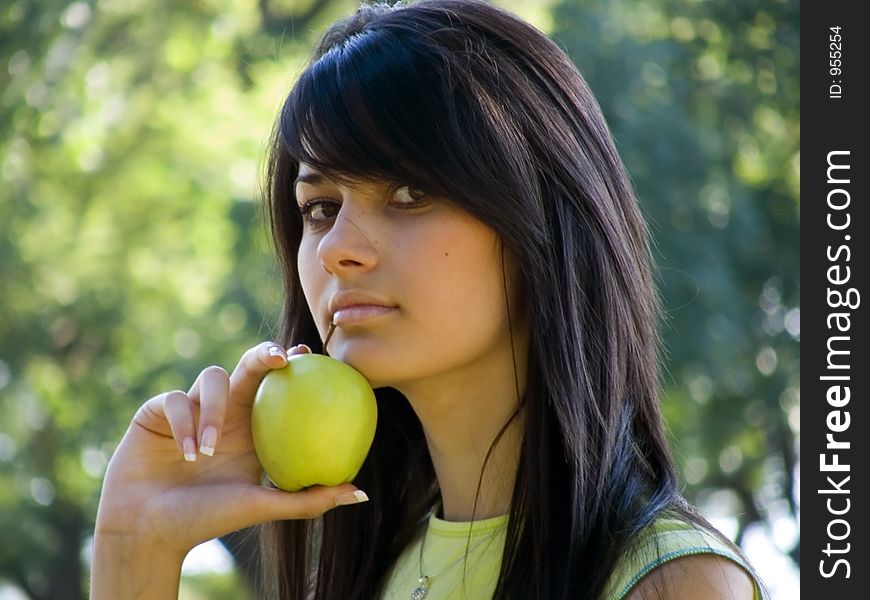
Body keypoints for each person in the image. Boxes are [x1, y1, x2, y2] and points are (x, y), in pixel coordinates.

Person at [90, 1, 767, 598]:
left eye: (409, 194)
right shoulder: (374, 568)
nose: (334, 249)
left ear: (543, 220)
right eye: (321, 206)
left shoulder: (673, 583)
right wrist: (135, 543)